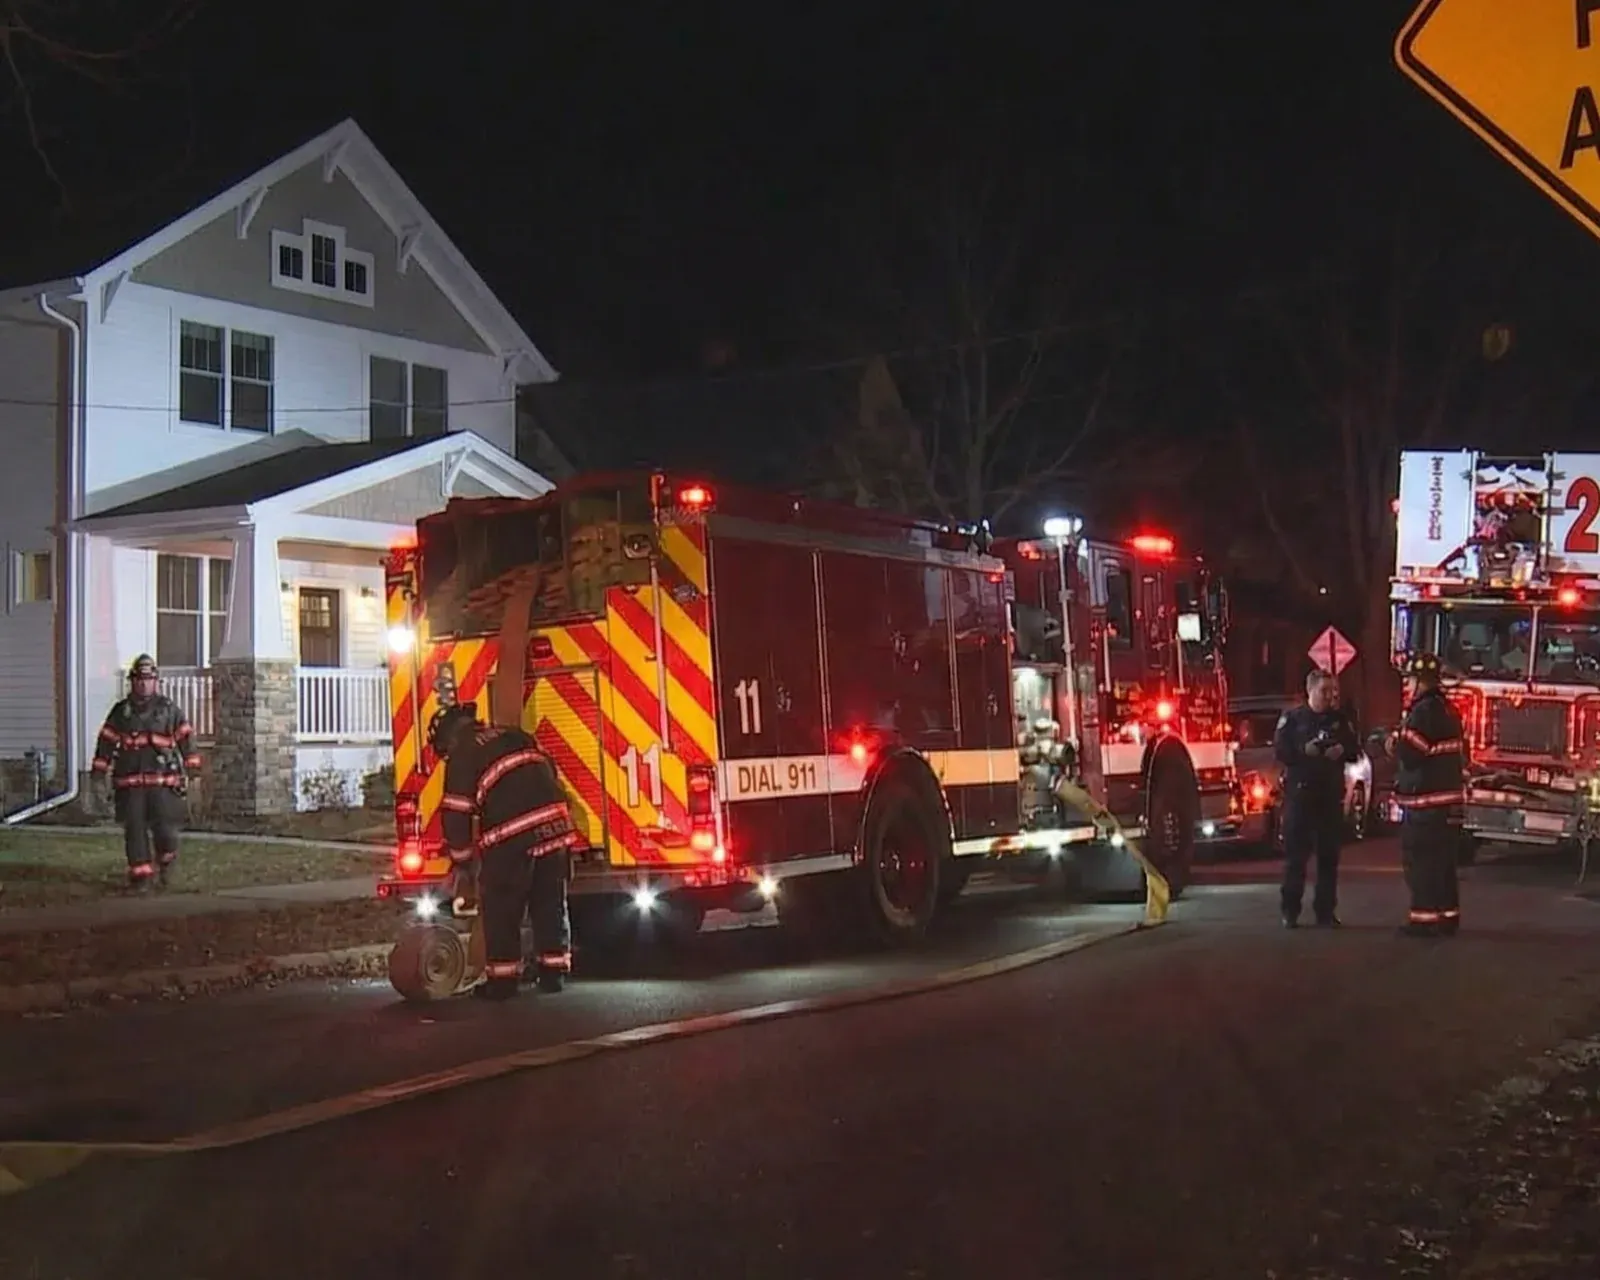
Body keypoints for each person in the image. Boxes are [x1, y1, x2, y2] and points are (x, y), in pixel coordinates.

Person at [430, 702, 580, 1001]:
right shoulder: (515, 735)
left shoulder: (463, 753)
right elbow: (548, 771)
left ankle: (503, 981)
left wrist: (462, 863)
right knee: (549, 901)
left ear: (449, 738)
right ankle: (553, 972)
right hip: (555, 826)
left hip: (513, 835)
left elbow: (457, 813)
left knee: (501, 907)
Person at [90, 654, 200, 891]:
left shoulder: (168, 710)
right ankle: (141, 878)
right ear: (132, 681)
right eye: (139, 679)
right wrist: (98, 775)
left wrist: (194, 772)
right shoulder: (121, 712)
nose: (143, 684)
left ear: (156, 681)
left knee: (165, 830)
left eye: (148, 679)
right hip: (130, 786)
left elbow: (186, 738)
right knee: (135, 831)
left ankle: (167, 863)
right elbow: (106, 742)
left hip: (162, 784)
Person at [1387, 652, 1466, 938]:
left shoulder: (1422, 712)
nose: (1407, 685)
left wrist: (1393, 742)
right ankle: (1447, 917)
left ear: (1421, 681)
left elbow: (1412, 754)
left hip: (1425, 803)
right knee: (1443, 865)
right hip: (1446, 803)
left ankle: (1424, 920)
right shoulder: (1448, 709)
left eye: (1409, 680)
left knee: (1420, 863)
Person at [1273, 669, 1359, 928]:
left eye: (1333, 691)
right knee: (1296, 859)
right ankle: (1290, 911)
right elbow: (1281, 750)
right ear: (1310, 691)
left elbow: (1355, 749)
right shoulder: (1293, 720)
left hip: (1329, 798)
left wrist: (1342, 749)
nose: (1330, 696)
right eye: (1324, 691)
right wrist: (1303, 751)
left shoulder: (1340, 720)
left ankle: (1325, 912)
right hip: (1301, 797)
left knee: (1328, 859)